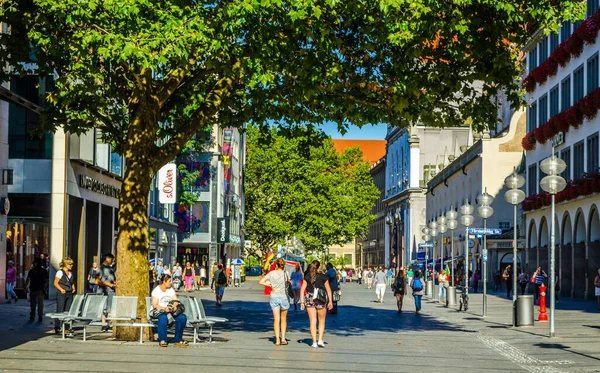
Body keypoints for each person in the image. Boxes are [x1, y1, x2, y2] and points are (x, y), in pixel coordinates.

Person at [300, 261, 333, 348]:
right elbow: (328, 290)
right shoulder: (324, 277)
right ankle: (320, 340)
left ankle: (314, 342)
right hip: (320, 298)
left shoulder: (307, 277)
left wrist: (302, 302)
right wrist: (330, 301)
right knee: (321, 321)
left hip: (309, 297)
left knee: (312, 321)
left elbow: (302, 289)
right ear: (318, 268)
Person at [151, 274, 188, 347]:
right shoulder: (156, 291)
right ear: (164, 282)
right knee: (163, 318)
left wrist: (174, 306)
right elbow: (155, 305)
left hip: (171, 311)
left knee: (182, 317)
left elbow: (175, 300)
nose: (171, 283)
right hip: (160, 311)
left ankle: (178, 339)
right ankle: (162, 340)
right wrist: (164, 308)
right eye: (169, 281)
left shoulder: (170, 289)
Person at [259, 258, 290, 345]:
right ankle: (283, 338)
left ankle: (277, 339)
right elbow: (289, 282)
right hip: (284, 297)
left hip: (274, 296)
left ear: (276, 265)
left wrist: (270, 285)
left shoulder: (271, 273)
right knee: (283, 319)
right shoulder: (286, 273)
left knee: (276, 319)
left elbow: (261, 281)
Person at [53, 257, 75, 335]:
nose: (71, 265)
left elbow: (71, 282)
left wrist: (73, 288)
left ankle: (66, 328)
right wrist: (61, 289)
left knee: (68, 311)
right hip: (62, 293)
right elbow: (55, 283)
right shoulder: (60, 272)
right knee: (60, 310)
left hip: (69, 293)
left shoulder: (70, 273)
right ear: (65, 264)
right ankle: (57, 327)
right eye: (70, 264)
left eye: (72, 264)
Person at [97, 253, 117, 332]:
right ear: (107, 259)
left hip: (112, 291)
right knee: (104, 308)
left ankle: (109, 324)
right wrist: (109, 284)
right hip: (104, 290)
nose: (112, 261)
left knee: (110, 308)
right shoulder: (101, 268)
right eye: (111, 259)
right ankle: (104, 324)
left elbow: (113, 278)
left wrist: (114, 283)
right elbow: (97, 280)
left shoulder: (111, 268)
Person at [25, 258, 48, 322]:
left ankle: (33, 316)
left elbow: (28, 279)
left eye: (34, 262)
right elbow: (46, 281)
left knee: (33, 304)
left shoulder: (32, 271)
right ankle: (39, 315)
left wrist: (25, 287)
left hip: (34, 289)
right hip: (39, 289)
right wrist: (45, 288)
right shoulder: (44, 271)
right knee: (40, 304)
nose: (33, 263)